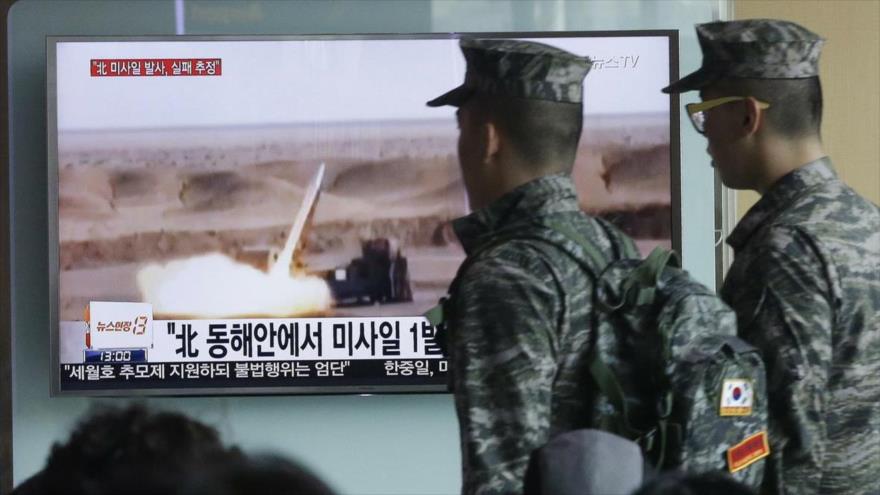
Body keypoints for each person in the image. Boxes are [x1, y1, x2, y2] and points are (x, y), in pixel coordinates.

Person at [663, 19, 880, 495]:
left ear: (747, 117)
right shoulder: (865, 219)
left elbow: (786, 441)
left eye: (703, 112)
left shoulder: (787, 246)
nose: (704, 133)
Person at [426, 39, 637, 495]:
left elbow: (501, 473)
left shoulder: (505, 275)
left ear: (488, 140)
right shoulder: (616, 248)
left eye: (462, 128)